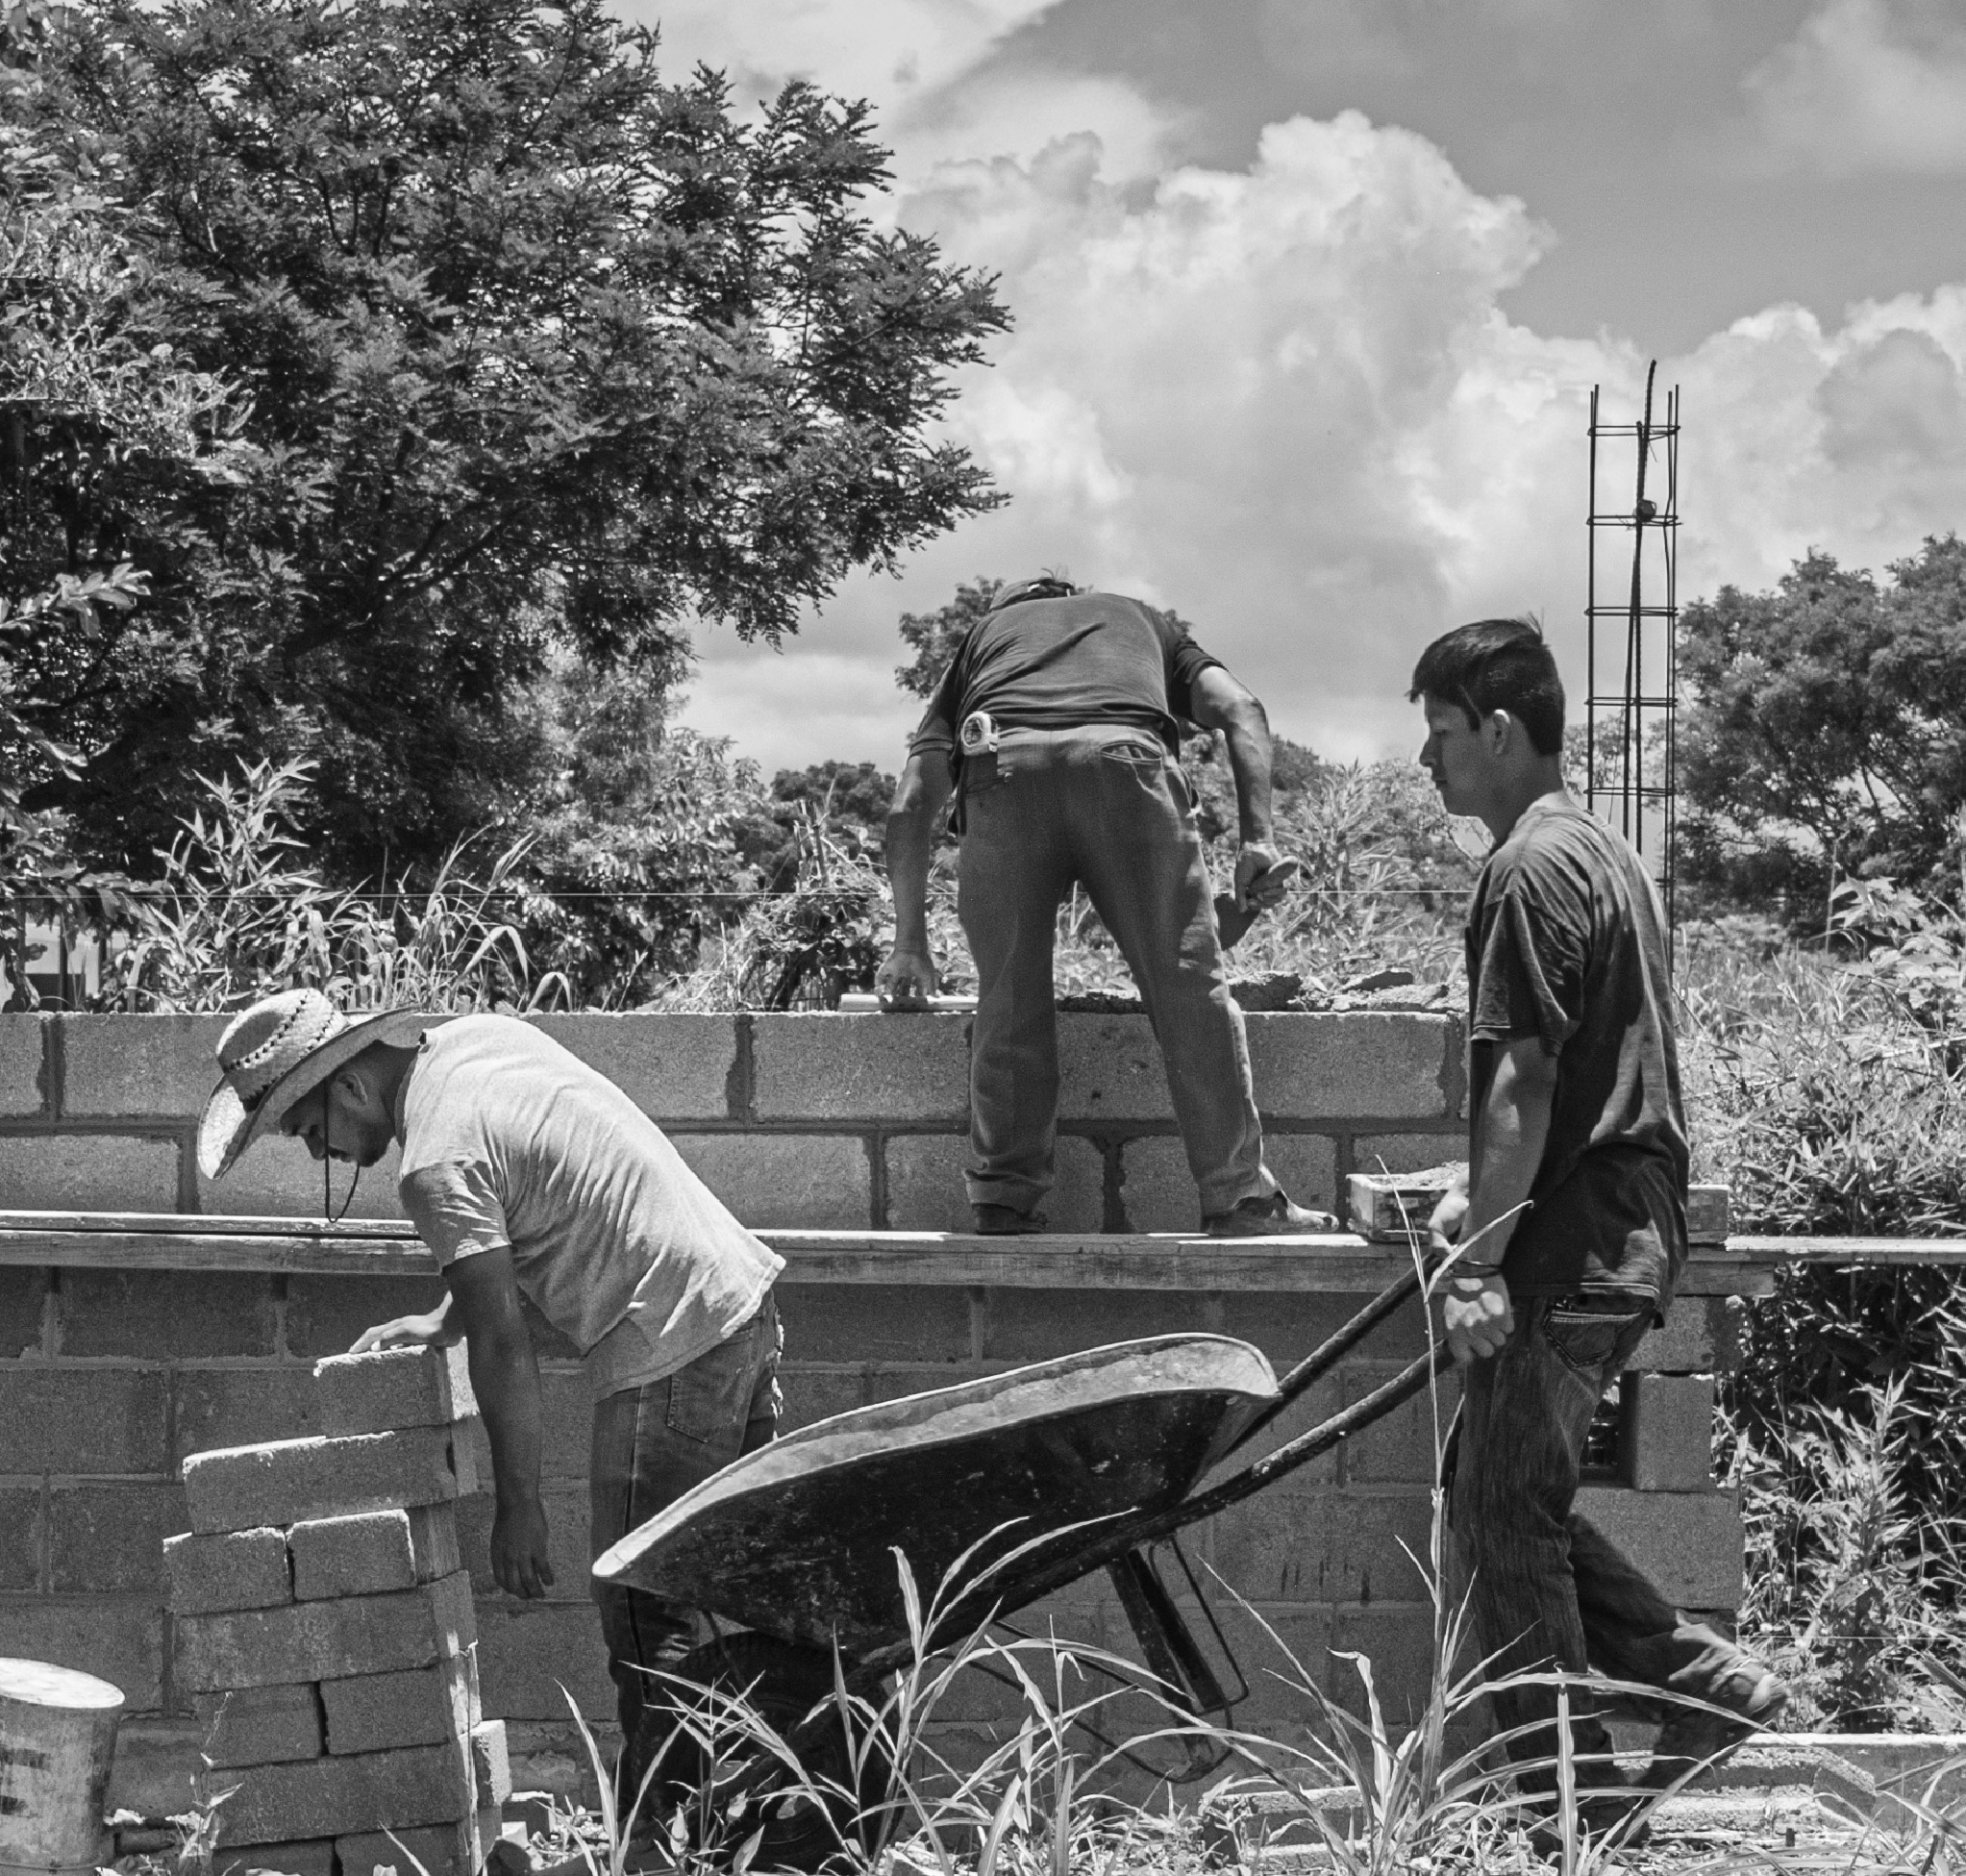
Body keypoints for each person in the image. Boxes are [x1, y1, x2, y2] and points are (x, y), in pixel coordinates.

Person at [196, 991, 784, 1812]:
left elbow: (503, 1344)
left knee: (648, 1612)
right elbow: (541, 1199)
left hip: (672, 1346)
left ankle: (663, 1851)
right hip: (738, 1312)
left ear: (353, 1088)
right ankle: (786, 1828)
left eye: (307, 1132)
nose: (317, 1151)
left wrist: (520, 1505)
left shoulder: (430, 1163)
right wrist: (445, 1318)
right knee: (742, 1597)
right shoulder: (473, 1044)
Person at [1411, 616, 1785, 1835]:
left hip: (1576, 1241)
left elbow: (1521, 1078)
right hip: (1619, 1224)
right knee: (1498, 1485)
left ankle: (1561, 1811)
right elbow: (1589, 1075)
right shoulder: (1604, 853)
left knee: (1500, 1514)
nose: (1430, 762)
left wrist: (1473, 1261)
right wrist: (1482, 1193)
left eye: (1444, 734)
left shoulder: (1526, 867)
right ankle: (1698, 1680)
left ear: (1502, 730)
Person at [879, 575, 1331, 1237]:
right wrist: (1257, 840)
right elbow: (1241, 708)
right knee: (1189, 991)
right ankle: (1238, 1198)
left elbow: (909, 804)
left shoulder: (984, 640)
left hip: (1001, 768)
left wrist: (909, 943)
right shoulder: (1138, 620)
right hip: (1126, 762)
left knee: (1007, 998)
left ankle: (1004, 1197)